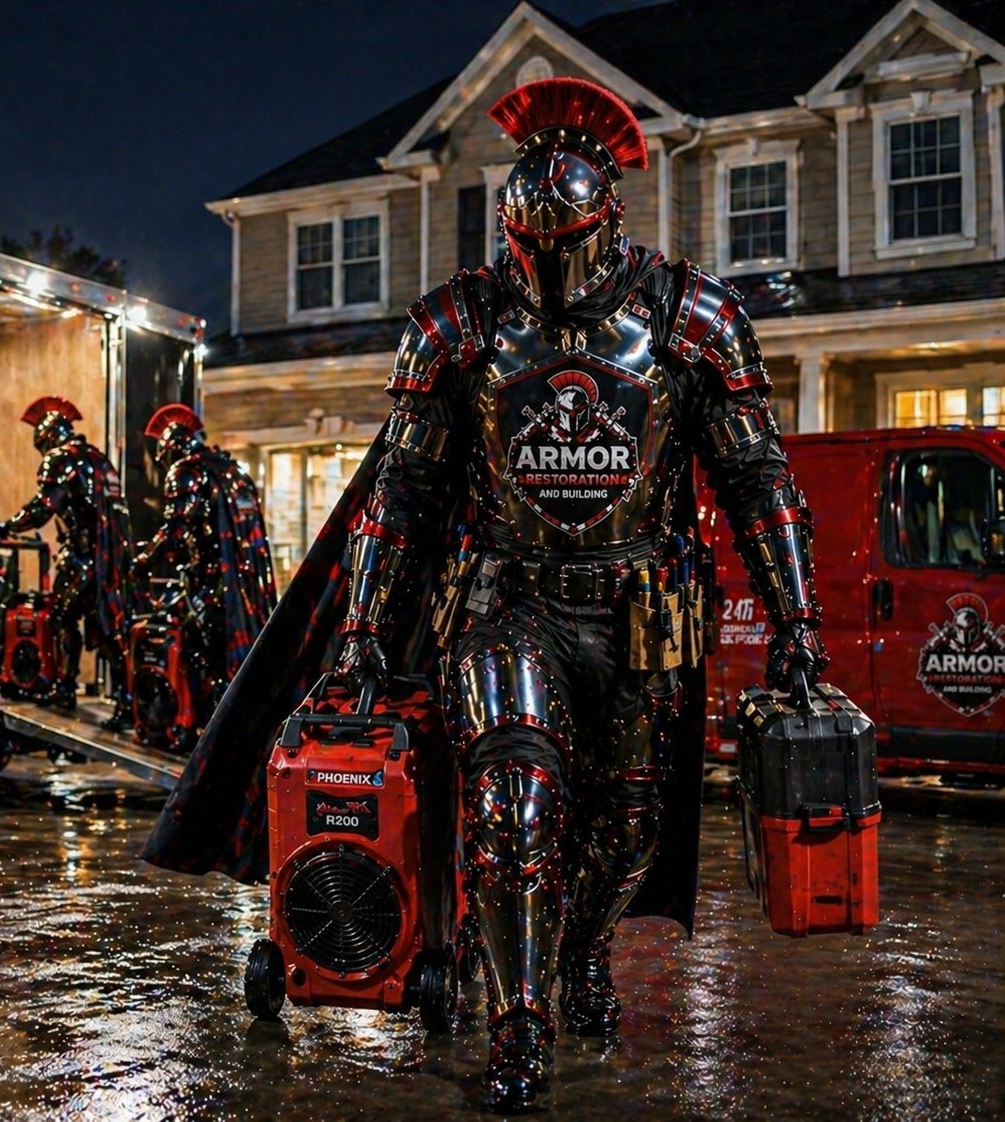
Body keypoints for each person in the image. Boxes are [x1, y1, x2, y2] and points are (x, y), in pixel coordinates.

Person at [143, 77, 825, 1114]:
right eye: (528, 243)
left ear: (607, 224)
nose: (548, 267)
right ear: (507, 230)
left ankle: (579, 948)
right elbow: (401, 492)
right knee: (514, 802)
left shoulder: (692, 316)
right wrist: (365, 627)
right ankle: (520, 1023)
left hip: (643, 610)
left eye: (569, 241)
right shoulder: (458, 324)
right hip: (507, 603)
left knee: (629, 824)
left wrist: (797, 621)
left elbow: (756, 475)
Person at [0, 396, 136, 730]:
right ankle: (124, 703)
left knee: (62, 618)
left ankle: (66, 688)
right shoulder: (100, 460)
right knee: (112, 632)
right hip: (110, 561)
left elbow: (43, 508)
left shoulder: (61, 459)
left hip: (84, 558)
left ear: (49, 437)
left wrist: (5, 527)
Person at [132, 404, 277, 709]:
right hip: (247, 584)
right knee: (237, 659)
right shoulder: (231, 469)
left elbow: (176, 526)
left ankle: (205, 728)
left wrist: (144, 560)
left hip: (213, 582)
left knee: (202, 655)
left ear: (171, 449)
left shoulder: (187, 471)